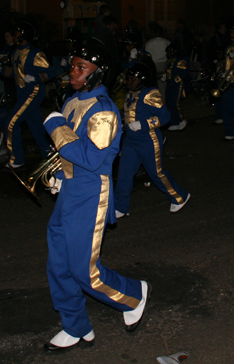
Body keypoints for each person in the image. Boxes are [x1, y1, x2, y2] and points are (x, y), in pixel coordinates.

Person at [41, 38, 150, 353]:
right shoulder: (74, 101)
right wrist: (59, 175)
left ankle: (134, 294)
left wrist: (57, 127)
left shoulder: (104, 111)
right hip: (72, 189)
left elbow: (90, 158)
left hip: (91, 193)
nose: (72, 71)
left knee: (83, 270)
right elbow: (68, 154)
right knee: (59, 263)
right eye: (72, 65)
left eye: (80, 67)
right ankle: (75, 326)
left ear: (97, 74)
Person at [114, 58, 191, 218]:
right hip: (131, 140)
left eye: (132, 79)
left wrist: (143, 124)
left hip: (148, 140)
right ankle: (120, 206)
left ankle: (180, 196)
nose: (129, 81)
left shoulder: (150, 93)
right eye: (128, 78)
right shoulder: (129, 93)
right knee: (124, 173)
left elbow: (165, 116)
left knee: (156, 173)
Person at [0, 21, 54, 167]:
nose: (14, 36)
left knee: (11, 124)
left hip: (33, 93)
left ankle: (16, 160)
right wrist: (0, 70)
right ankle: (48, 152)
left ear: (23, 35)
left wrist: (36, 78)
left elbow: (51, 72)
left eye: (16, 34)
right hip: (23, 93)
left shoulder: (36, 53)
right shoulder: (15, 52)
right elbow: (15, 74)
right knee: (35, 125)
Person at [164, 41, 189, 131]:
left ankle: (181, 120)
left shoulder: (180, 61)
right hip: (170, 84)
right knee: (169, 103)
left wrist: (175, 79)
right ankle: (174, 122)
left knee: (175, 103)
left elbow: (185, 72)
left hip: (177, 85)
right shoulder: (169, 61)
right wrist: (165, 76)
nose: (168, 53)